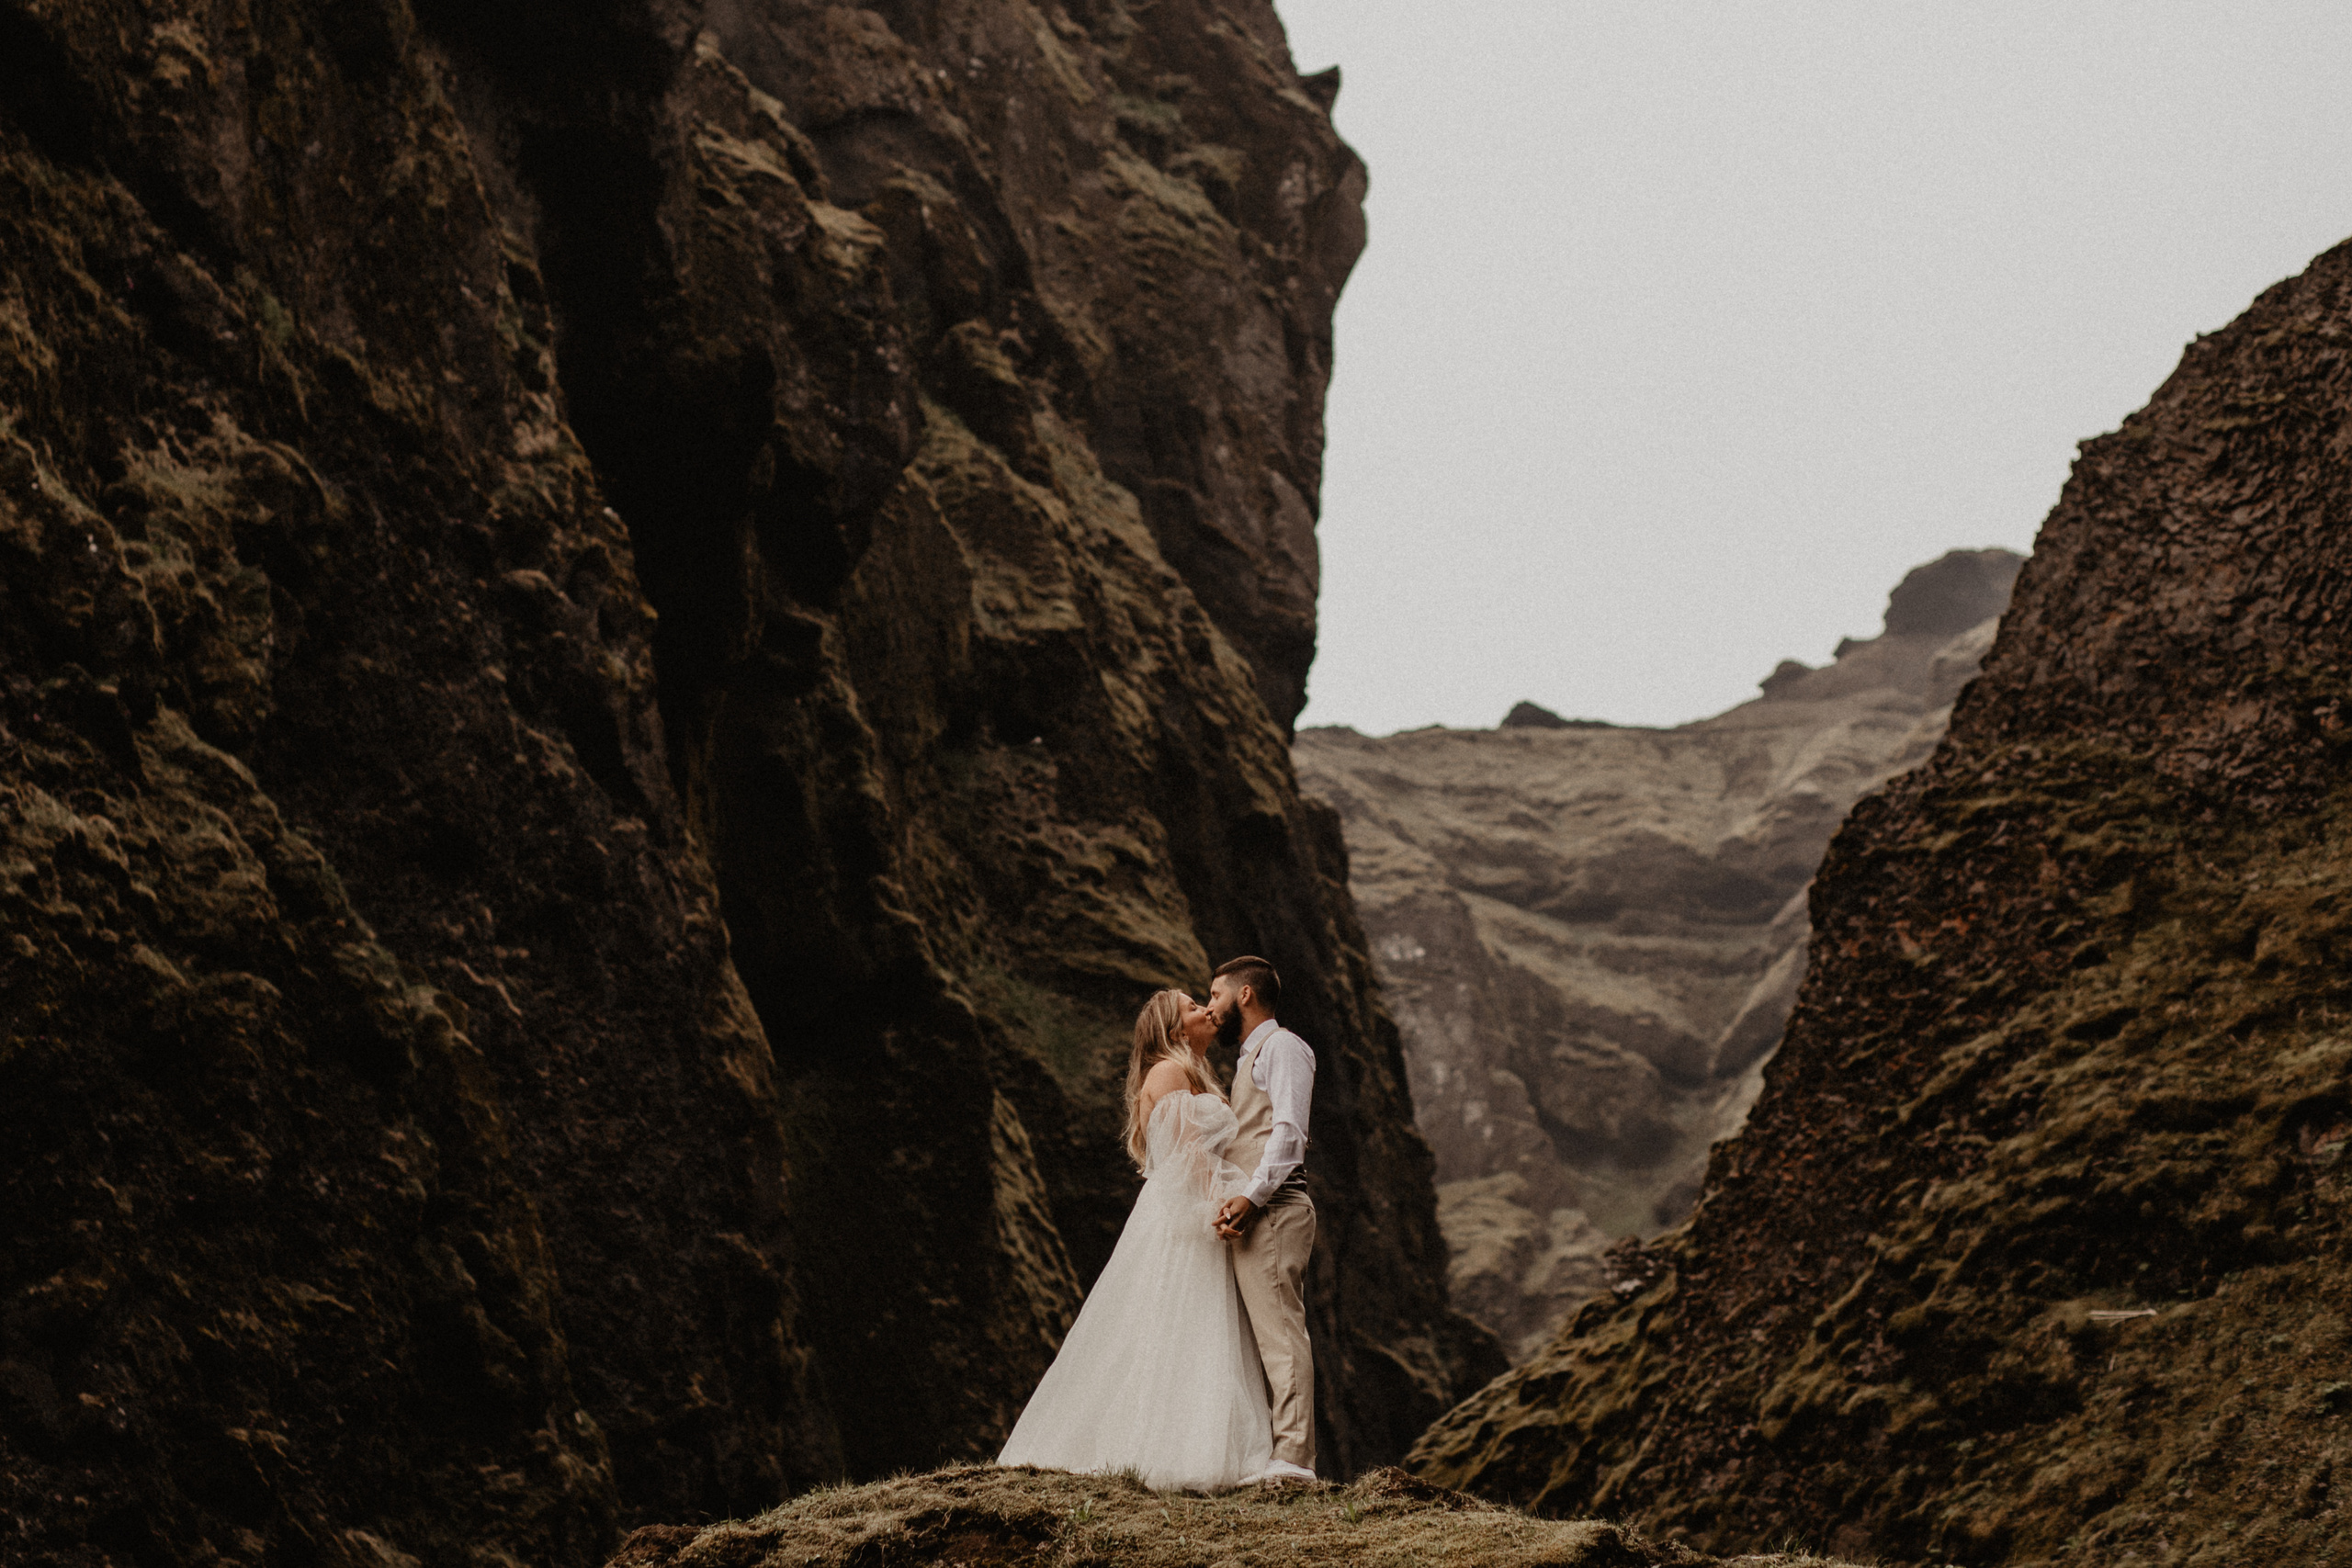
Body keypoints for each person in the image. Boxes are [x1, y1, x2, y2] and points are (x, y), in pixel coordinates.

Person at [995, 990, 1275, 1490]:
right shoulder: (1168, 1071)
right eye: (1194, 1007)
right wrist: (1230, 1202)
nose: (1207, 1011)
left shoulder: (1193, 1073)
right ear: (1174, 1031)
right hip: (1185, 1218)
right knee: (1176, 1325)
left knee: (1191, 1327)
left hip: (1194, 1213)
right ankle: (1168, 1449)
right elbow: (1188, 1158)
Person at [1205, 954, 1318, 1483]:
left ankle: (1293, 1460)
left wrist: (1251, 1199)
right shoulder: (1253, 1055)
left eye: (1214, 995)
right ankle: (1268, 1452)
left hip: (1275, 1211)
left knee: (1280, 1331)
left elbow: (1290, 1132)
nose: (1211, 1008)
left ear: (1244, 995)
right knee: (1261, 1336)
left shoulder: (1283, 1047)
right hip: (1257, 1214)